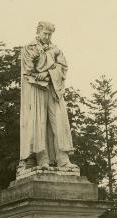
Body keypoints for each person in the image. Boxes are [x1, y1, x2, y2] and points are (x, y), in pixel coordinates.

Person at [18, 21, 78, 173]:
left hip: (53, 89)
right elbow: (29, 71)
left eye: (50, 34)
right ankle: (42, 159)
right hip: (36, 90)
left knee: (59, 122)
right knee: (39, 122)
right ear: (38, 32)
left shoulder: (56, 49)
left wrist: (47, 72)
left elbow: (63, 67)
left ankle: (63, 160)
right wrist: (48, 70)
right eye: (45, 33)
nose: (47, 36)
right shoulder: (29, 48)